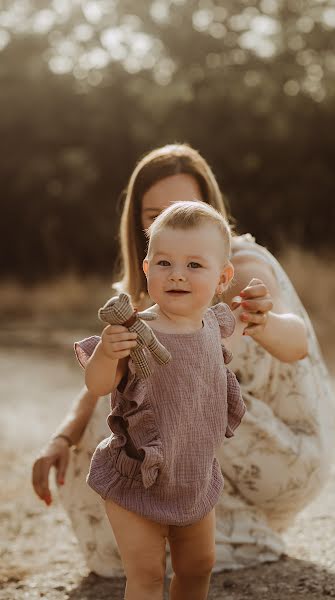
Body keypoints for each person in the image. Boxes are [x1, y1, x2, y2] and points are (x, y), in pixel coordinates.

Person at [32, 143, 333, 579]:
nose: (171, 221)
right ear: (138, 222)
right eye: (154, 214)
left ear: (209, 209)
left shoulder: (235, 266)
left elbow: (293, 341)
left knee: (154, 411)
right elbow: (107, 380)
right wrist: (61, 438)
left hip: (276, 450)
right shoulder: (163, 278)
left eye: (184, 207)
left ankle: (204, 532)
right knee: (120, 411)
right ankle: (152, 545)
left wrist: (262, 319)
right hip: (202, 441)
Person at [76, 200, 249, 600]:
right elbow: (98, 385)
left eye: (194, 265)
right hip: (138, 476)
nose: (177, 275)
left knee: (198, 566)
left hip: (193, 473)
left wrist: (254, 309)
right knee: (148, 575)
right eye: (165, 263)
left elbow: (235, 330)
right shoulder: (136, 331)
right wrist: (106, 352)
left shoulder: (212, 323)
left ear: (222, 277)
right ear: (146, 269)